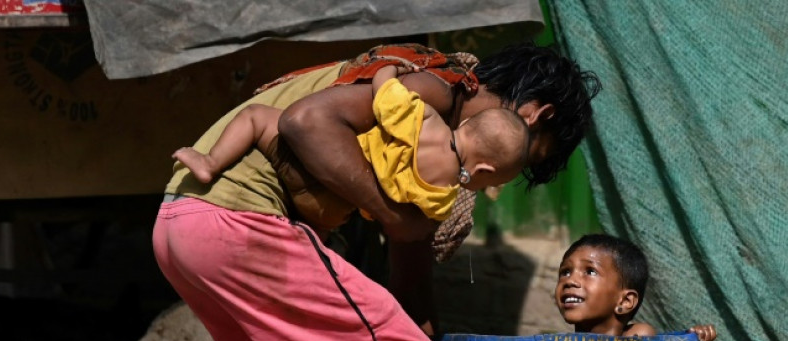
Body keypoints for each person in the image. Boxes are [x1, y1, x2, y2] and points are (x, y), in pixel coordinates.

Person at [153, 42, 601, 341]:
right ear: (535, 115)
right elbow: (304, 123)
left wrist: (431, 336)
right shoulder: (432, 92)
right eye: (528, 160)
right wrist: (391, 219)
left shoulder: (431, 147)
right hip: (237, 221)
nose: (498, 183)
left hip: (182, 225)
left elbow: (410, 264)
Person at [172, 64, 529, 232]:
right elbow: (415, 218)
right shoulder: (445, 194)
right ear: (483, 172)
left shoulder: (428, 122)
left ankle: (208, 162)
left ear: (465, 126)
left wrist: (388, 71)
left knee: (254, 116)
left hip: (325, 173)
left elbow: (387, 101)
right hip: (340, 209)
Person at [556, 233, 717, 341]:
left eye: (590, 271)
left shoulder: (638, 339)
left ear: (625, 301)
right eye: (565, 272)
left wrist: (692, 340)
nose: (570, 280)